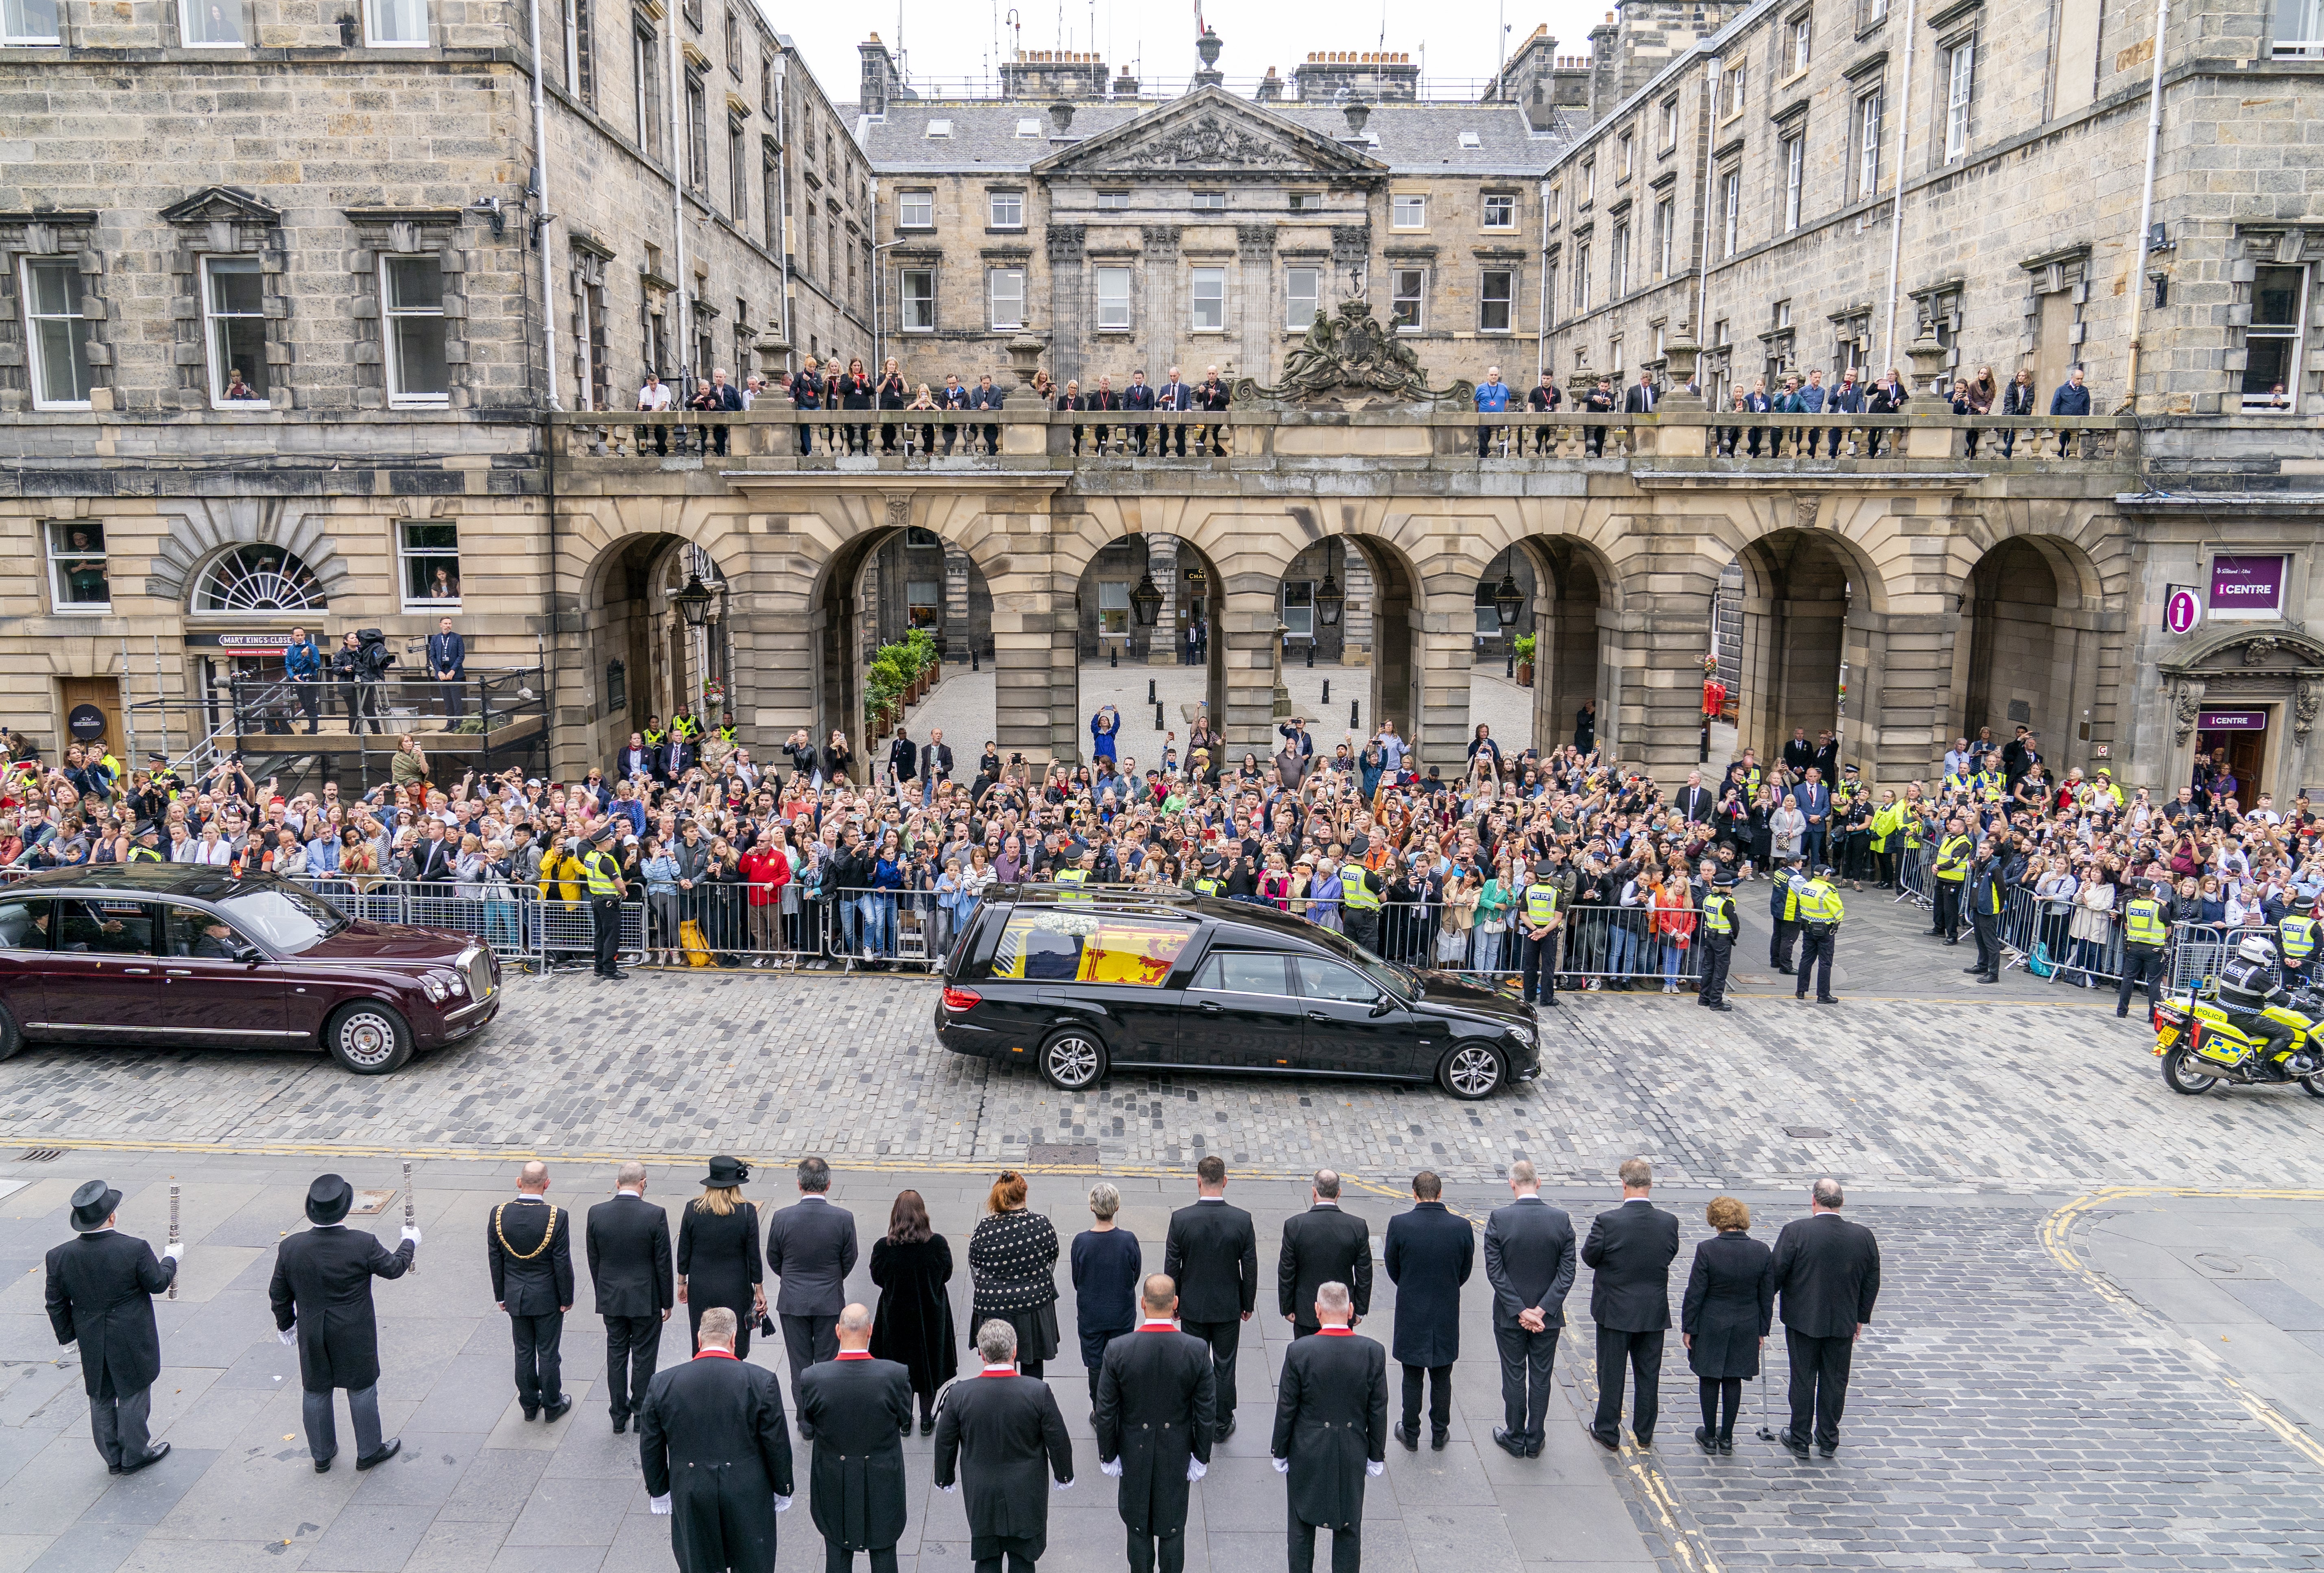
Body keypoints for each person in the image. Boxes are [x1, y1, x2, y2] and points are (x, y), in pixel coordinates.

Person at [269, 1172, 419, 1472]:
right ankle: (368, 1451)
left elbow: (278, 1292)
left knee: (315, 1390)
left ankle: (322, 1455)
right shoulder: (361, 1243)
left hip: (313, 1328)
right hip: (354, 1330)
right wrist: (409, 1242)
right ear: (346, 1208)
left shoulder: (292, 1247)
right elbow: (394, 1268)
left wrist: (286, 1324)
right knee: (362, 1388)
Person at [640, 1305, 797, 1573]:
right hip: (747, 1489)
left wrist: (659, 1491)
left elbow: (651, 1444)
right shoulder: (761, 1381)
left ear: (699, 1340)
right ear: (734, 1339)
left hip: (690, 1489)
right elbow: (777, 1443)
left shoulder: (662, 1384)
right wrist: (783, 1487)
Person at [45, 1177, 181, 1475]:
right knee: (133, 1391)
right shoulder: (134, 1248)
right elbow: (158, 1283)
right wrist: (171, 1259)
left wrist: (67, 1338)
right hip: (130, 1335)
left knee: (101, 1394)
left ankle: (112, 1458)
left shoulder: (59, 1257)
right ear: (111, 1216)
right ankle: (135, 1455)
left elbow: (55, 1303)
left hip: (90, 1335)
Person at [1093, 1274, 1215, 1573]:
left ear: (1143, 1304)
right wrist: (1200, 1456)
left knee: (1138, 1528)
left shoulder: (1118, 1350)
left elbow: (1106, 1411)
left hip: (1133, 1452)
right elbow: (1207, 1411)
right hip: (1177, 1453)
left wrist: (1108, 1455)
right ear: (1175, 1304)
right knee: (1173, 1528)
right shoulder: (1196, 1350)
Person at [932, 1318, 1076, 1573]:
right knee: (1023, 1560)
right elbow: (1058, 1439)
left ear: (981, 1353)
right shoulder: (1038, 1392)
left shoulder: (960, 1394)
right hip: (1026, 1492)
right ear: (1015, 1351)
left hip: (982, 1492)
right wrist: (1064, 1475)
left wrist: (945, 1478)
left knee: (987, 1561)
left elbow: (945, 1442)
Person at [1270, 1281, 1387, 1573]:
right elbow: (1378, 1409)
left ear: (1317, 1310)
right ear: (1349, 1310)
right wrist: (1375, 1454)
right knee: (1348, 1527)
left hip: (1306, 1450)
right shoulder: (1372, 1352)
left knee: (1300, 1526)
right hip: (1351, 1450)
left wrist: (1280, 1451)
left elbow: (1287, 1408)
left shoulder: (1299, 1351)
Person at [796, 1303, 914, 1573]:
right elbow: (905, 1419)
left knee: (837, 1555)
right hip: (883, 1479)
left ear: (838, 1331)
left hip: (833, 1480)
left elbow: (810, 1422)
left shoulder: (813, 1378)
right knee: (884, 1553)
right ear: (870, 1331)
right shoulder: (895, 1375)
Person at [1770, 1178, 1882, 1458]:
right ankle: (1828, 1438)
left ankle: (1799, 1437)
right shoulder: (1863, 1236)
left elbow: (1775, 1274)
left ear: (1813, 1201)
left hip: (1802, 1320)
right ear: (1842, 1202)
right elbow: (1872, 1280)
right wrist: (1860, 1316)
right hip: (1843, 1321)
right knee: (1835, 1380)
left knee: (1803, 1378)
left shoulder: (1795, 1232)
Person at [1580, 1157, 1679, 1451]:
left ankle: (1608, 1430)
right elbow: (1669, 1254)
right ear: (1650, 1185)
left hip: (1614, 1310)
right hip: (1652, 1310)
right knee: (1648, 1374)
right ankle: (1645, 1432)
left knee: (1611, 1372)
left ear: (1623, 1185)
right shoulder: (1668, 1222)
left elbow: (1589, 1257)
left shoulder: (1608, 1221)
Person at [1480, 1158, 1576, 1458]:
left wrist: (1521, 1311)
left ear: (1511, 1183)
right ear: (1538, 1182)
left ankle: (1514, 1434)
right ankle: (1535, 1438)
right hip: (1547, 1320)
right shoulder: (1560, 1220)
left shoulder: (1499, 1219)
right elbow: (1567, 1271)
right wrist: (1542, 1310)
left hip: (1510, 1317)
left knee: (1513, 1375)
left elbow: (1495, 1273)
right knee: (1540, 1377)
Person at [1162, 1155, 1258, 1441]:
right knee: (1225, 1365)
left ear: (1198, 1181)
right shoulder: (1242, 1220)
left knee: (1194, 1362)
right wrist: (1247, 1303)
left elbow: (1172, 1266)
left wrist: (1174, 1300)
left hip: (1192, 1305)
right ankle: (1221, 1421)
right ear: (1225, 1181)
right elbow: (1249, 1266)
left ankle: (1194, 1417)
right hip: (1228, 1306)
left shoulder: (1181, 1220)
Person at [764, 1154, 859, 1421]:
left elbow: (774, 1257)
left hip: (793, 1302)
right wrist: (833, 1279)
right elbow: (849, 1258)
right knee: (827, 1364)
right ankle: (825, 1416)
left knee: (800, 1366)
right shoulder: (843, 1218)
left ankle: (805, 1421)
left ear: (799, 1184)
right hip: (829, 1301)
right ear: (828, 1185)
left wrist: (791, 1279)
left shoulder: (782, 1218)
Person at [1381, 1169, 1470, 1452]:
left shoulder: (1400, 1224)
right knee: (1442, 1375)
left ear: (1414, 1193)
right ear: (1440, 1193)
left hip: (1412, 1309)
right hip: (1445, 1309)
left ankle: (1410, 1433)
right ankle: (1438, 1433)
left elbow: (1393, 1267)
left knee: (1412, 1374)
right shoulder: (1461, 1227)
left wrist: (1409, 1286)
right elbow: (1464, 1270)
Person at [1680, 1196, 1773, 1455]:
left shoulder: (1708, 1249)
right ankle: (1728, 1437)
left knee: (1709, 1378)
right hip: (1746, 1324)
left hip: (1712, 1323)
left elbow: (1695, 1293)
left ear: (1716, 1221)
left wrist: (1689, 1326)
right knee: (1733, 1379)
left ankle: (1709, 1435)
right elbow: (1766, 1295)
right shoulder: (1761, 1250)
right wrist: (1762, 1330)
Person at [587, 1159, 674, 1434]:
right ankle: (640, 1412)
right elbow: (663, 1262)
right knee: (644, 1356)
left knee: (616, 1354)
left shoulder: (596, 1213)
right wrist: (667, 1301)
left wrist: (602, 1290)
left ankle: (617, 1414)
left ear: (617, 1183)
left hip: (611, 1297)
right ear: (643, 1183)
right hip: (645, 1298)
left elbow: (594, 1259)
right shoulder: (655, 1214)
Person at [487, 1159, 575, 1422]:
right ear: (547, 1184)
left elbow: (495, 1258)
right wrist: (567, 1297)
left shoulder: (498, 1213)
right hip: (547, 1297)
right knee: (548, 1352)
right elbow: (562, 1262)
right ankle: (552, 1404)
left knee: (523, 1351)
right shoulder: (556, 1216)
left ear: (519, 1182)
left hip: (516, 1296)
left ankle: (528, 1404)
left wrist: (501, 1295)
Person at [869, 1188, 958, 1433]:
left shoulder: (883, 1248)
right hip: (931, 1315)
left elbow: (878, 1278)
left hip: (896, 1317)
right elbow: (947, 1274)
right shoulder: (937, 1245)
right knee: (929, 1365)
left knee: (900, 1367)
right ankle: (927, 1419)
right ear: (923, 1215)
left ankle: (905, 1419)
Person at [969, 1170, 1061, 1379]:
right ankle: (1032, 1405)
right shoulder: (1041, 1225)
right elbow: (1052, 1257)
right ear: (1024, 1195)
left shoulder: (985, 1229)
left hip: (994, 1307)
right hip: (1033, 1307)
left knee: (998, 1365)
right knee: (1033, 1367)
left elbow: (975, 1263)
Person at [678, 1155, 765, 1358]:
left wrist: (682, 1283)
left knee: (704, 1339)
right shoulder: (746, 1211)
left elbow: (684, 1251)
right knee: (735, 1341)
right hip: (736, 1288)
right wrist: (759, 1288)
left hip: (701, 1288)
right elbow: (754, 1255)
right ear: (736, 1185)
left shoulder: (693, 1208)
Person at [1071, 1182, 1143, 1411]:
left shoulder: (1081, 1242)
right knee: (1121, 1362)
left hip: (1091, 1316)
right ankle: (1121, 1406)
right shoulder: (1128, 1240)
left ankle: (1100, 1409)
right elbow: (1135, 1274)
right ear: (1117, 1207)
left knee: (1095, 1365)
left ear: (1092, 1208)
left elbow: (1077, 1279)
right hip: (1121, 1314)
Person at [1278, 1170, 1370, 1338]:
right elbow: (1364, 1274)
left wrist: (1287, 1306)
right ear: (1339, 1193)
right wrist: (1360, 1309)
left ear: (1314, 1191)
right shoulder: (1358, 1227)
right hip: (1342, 1311)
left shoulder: (1295, 1226)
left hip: (1306, 1312)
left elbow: (1286, 1271)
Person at [2117, 878, 2173, 1019]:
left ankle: (2122, 1012)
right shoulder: (2160, 908)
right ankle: (2153, 1017)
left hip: (2134, 947)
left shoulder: (2129, 905)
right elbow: (2168, 931)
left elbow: (2126, 926)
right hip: (2154, 950)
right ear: (2153, 892)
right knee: (2154, 983)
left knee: (2128, 979)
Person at [1790, 863, 1844, 1005]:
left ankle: (1801, 990)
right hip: (1825, 930)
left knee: (1806, 959)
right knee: (1825, 963)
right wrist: (1838, 920)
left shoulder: (1806, 887)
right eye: (1829, 874)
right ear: (1826, 876)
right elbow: (1838, 911)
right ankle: (1823, 995)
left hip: (1808, 928)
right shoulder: (1828, 890)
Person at [583, 820, 628, 979]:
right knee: (611, 937)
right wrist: (624, 891)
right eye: (611, 841)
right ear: (605, 842)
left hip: (597, 900)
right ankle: (610, 970)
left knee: (600, 935)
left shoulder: (591, 856)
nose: (612, 843)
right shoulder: (605, 860)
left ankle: (599, 967)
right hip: (609, 901)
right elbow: (619, 884)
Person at [1516, 857, 1562, 1008]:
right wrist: (1543, 932)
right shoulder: (1556, 893)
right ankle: (1546, 999)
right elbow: (1558, 918)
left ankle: (1529, 996)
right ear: (1551, 876)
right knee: (1548, 966)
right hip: (1548, 933)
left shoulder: (1528, 890)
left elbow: (1523, 915)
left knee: (1530, 965)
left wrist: (1536, 930)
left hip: (1532, 931)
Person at [1697, 860, 1739, 1011]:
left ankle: (1704, 998)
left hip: (1710, 937)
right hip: (1722, 939)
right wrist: (1734, 936)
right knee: (1720, 971)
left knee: (1708, 968)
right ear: (1727, 887)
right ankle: (1716, 1001)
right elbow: (1735, 925)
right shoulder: (1726, 903)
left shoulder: (1709, 899)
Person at [1965, 842, 2005, 985]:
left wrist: (2000, 906)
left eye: (1984, 849)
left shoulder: (1995, 868)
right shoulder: (1981, 864)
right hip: (1978, 906)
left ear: (1991, 851)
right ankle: (1982, 965)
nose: (1981, 851)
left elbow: (2002, 889)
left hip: (1989, 908)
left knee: (1990, 941)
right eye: (1980, 848)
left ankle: (1994, 973)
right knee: (1980, 938)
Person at [284, 625, 324, 734]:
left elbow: (317, 665)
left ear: (305, 636)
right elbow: (288, 665)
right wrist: (293, 676)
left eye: (302, 635)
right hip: (298, 680)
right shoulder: (291, 648)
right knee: (304, 704)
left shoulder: (312, 648)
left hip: (310, 679)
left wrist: (306, 656)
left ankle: (313, 731)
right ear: (293, 637)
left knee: (311, 705)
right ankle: (312, 729)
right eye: (297, 635)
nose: (300, 637)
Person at [427, 614, 467, 723]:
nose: (448, 626)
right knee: (447, 701)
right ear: (441, 625)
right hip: (442, 673)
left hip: (454, 672)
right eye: (446, 624)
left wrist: (453, 670)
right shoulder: (435, 639)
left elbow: (461, 656)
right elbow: (433, 656)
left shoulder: (457, 638)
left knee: (456, 700)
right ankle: (450, 722)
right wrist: (439, 671)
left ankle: (458, 723)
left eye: (450, 624)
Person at [1475, 365, 1510, 456]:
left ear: (1498, 376)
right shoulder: (1481, 388)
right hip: (1484, 421)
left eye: (1495, 375)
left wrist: (1500, 411)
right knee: (1483, 445)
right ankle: (1483, 463)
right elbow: (1475, 403)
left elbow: (1506, 403)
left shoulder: (1503, 388)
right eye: (1492, 375)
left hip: (1497, 420)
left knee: (1494, 445)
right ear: (1488, 376)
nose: (1494, 377)